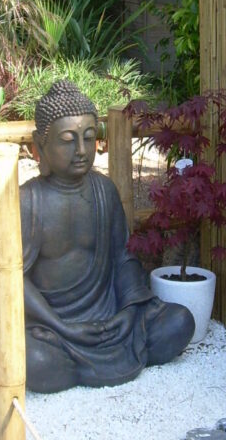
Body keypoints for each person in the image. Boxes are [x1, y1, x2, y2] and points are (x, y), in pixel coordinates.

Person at [21, 79, 195, 392]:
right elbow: (14, 280)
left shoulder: (104, 191)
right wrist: (60, 326)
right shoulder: (28, 201)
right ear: (39, 145)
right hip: (54, 325)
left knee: (180, 321)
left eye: (89, 138)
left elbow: (123, 258)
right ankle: (68, 361)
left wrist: (128, 312)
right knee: (34, 361)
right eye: (68, 140)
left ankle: (79, 366)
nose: (81, 151)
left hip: (111, 315)